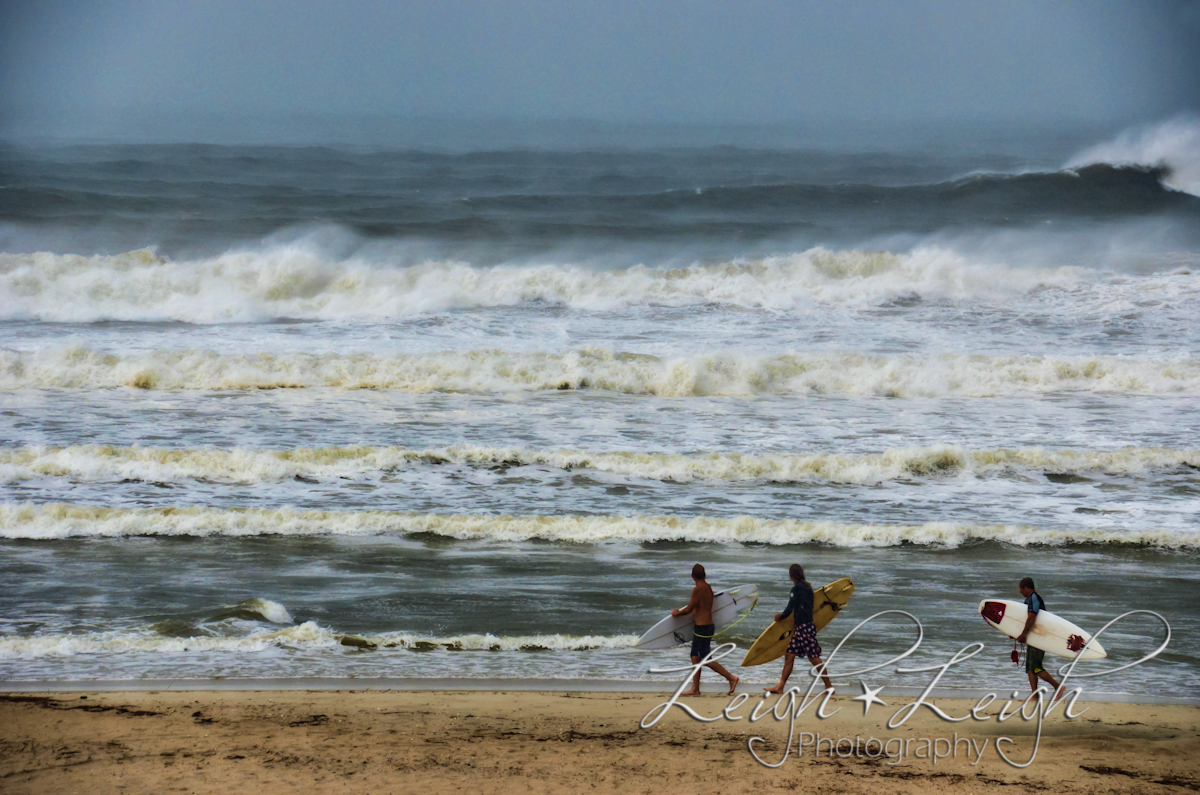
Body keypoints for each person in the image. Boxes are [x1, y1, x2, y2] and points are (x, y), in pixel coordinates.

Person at [764, 564, 834, 696]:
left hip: (804, 627)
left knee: (814, 658)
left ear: (791, 576)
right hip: (803, 627)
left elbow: (790, 607)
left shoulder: (796, 589)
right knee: (789, 656)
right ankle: (780, 687)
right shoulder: (808, 587)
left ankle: (829, 686)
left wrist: (781, 616)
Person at [672, 563, 739, 696]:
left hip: (702, 628)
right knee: (694, 657)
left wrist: (677, 613)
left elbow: (689, 608)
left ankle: (731, 678)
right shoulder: (708, 588)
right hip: (706, 627)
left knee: (703, 659)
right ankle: (695, 689)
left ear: (692, 576)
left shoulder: (698, 589)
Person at [1016, 577, 1065, 702]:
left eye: (1021, 589)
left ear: (1026, 587)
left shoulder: (1034, 599)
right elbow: (1025, 619)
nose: (1020, 591)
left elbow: (1032, 618)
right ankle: (1035, 695)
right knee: (1030, 668)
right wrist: (1015, 633)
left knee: (1036, 667)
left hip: (1040, 637)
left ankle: (1058, 687)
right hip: (1033, 637)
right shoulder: (1029, 600)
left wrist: (1023, 634)